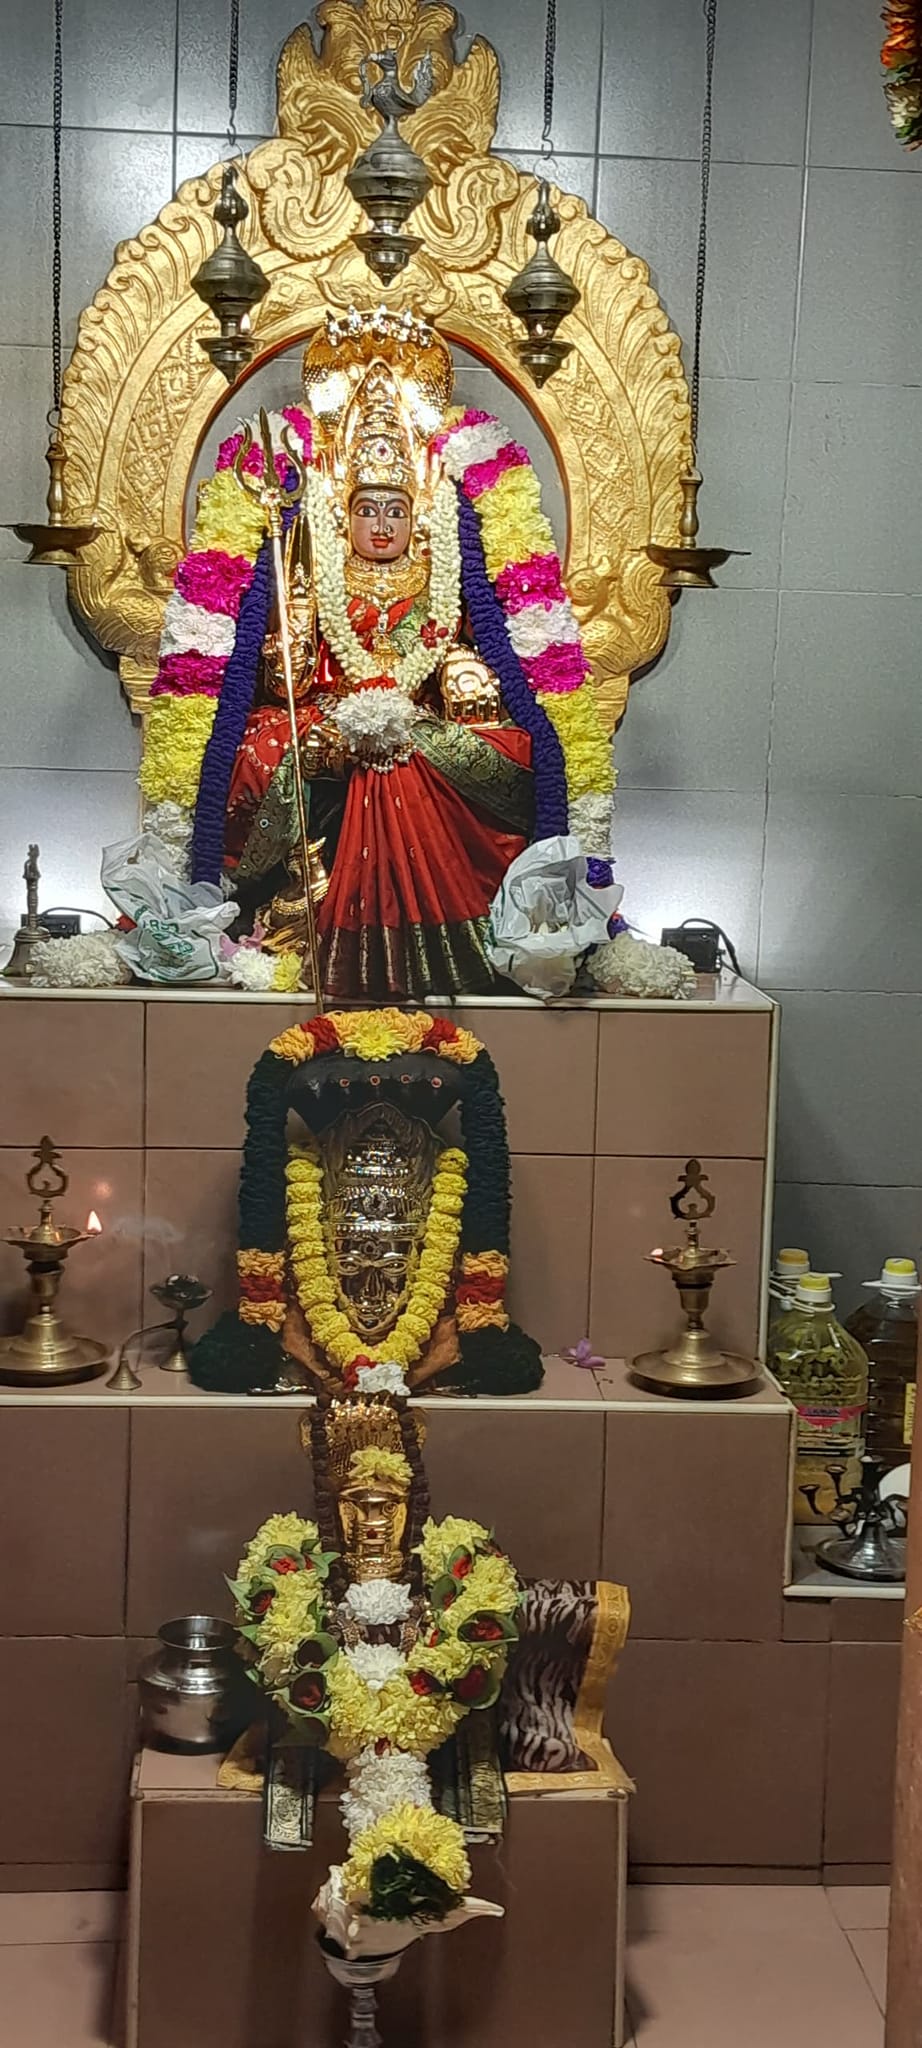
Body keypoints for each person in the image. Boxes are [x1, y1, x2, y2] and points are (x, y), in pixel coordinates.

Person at [140, 307, 613, 1000]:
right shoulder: (309, 573)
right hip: (326, 716)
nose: (382, 524)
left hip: (423, 722)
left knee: (458, 751)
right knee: (269, 747)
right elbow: (277, 677)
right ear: (343, 513)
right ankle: (308, 919)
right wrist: (289, 651)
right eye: (368, 509)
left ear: (417, 517)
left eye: (395, 509)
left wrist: (463, 670)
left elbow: (478, 653)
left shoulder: (445, 570)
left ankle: (442, 934)